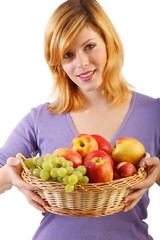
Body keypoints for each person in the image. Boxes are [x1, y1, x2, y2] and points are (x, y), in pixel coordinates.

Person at [0, 0, 160, 239]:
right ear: (58, 63)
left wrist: (156, 175)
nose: (81, 63)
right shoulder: (40, 118)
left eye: (90, 46)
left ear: (109, 42)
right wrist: (13, 177)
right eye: (68, 54)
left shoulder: (153, 113)